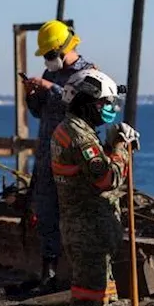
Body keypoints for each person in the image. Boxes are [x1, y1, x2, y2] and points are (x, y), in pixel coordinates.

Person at [50, 67, 140, 306]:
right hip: (87, 229)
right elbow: (105, 178)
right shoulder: (79, 135)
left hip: (88, 228)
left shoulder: (72, 129)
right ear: (87, 101)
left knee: (103, 296)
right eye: (105, 101)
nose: (110, 107)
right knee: (87, 299)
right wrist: (120, 148)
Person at [24, 20, 96, 290]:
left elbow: (82, 105)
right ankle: (49, 274)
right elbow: (39, 111)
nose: (48, 60)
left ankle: (80, 275)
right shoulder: (49, 72)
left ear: (65, 48)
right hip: (46, 154)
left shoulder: (87, 72)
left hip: (72, 156)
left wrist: (49, 87)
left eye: (50, 55)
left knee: (75, 214)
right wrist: (32, 95)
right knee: (46, 213)